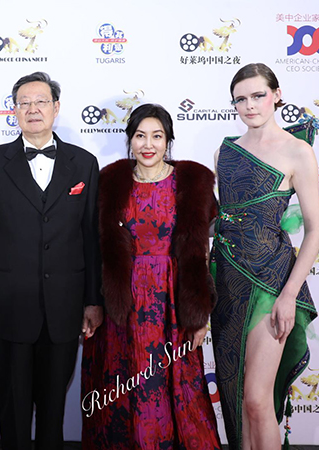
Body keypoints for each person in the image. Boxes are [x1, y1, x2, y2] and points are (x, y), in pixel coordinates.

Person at [0, 71, 103, 450]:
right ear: (13, 110)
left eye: (41, 101)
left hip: (65, 308)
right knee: (12, 413)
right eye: (24, 102)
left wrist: (93, 300)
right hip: (8, 308)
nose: (33, 109)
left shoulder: (84, 163)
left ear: (56, 108)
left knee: (53, 411)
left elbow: (91, 238)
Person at [81, 103, 222, 449]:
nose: (148, 144)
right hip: (122, 307)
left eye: (157, 136)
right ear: (129, 140)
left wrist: (200, 313)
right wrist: (92, 303)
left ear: (168, 140)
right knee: (123, 390)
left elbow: (200, 254)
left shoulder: (193, 183)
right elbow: (95, 249)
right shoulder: (109, 183)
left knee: (176, 390)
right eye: (140, 136)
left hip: (173, 305)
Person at [211, 63, 319, 450]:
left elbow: (314, 231)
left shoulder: (298, 151)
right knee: (237, 398)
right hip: (226, 283)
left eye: (258, 95)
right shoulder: (224, 152)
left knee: (258, 400)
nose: (250, 105)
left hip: (271, 284)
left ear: (276, 94)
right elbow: (223, 219)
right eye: (240, 99)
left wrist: (289, 295)